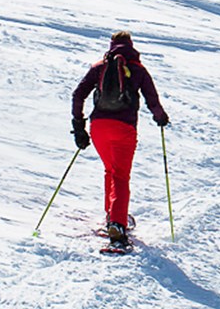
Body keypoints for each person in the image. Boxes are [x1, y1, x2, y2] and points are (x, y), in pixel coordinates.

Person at [70, 31, 169, 249]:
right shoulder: (138, 69)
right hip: (123, 127)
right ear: (131, 46)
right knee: (121, 175)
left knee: (110, 170)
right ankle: (117, 224)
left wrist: (79, 126)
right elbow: (152, 99)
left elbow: (78, 95)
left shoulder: (99, 67)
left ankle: (111, 215)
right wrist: (160, 118)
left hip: (99, 127)